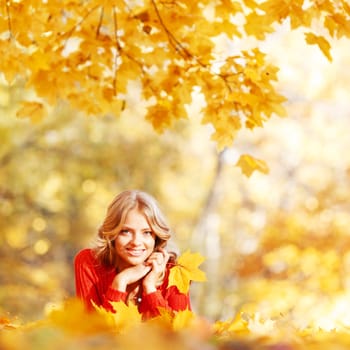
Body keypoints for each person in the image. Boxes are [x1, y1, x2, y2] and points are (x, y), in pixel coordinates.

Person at [74, 189, 191, 319]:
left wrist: (150, 288)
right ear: (112, 234)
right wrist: (120, 282)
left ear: (156, 236)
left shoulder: (175, 272)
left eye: (146, 232)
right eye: (126, 231)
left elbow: (180, 335)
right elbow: (91, 333)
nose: (136, 242)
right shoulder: (89, 262)